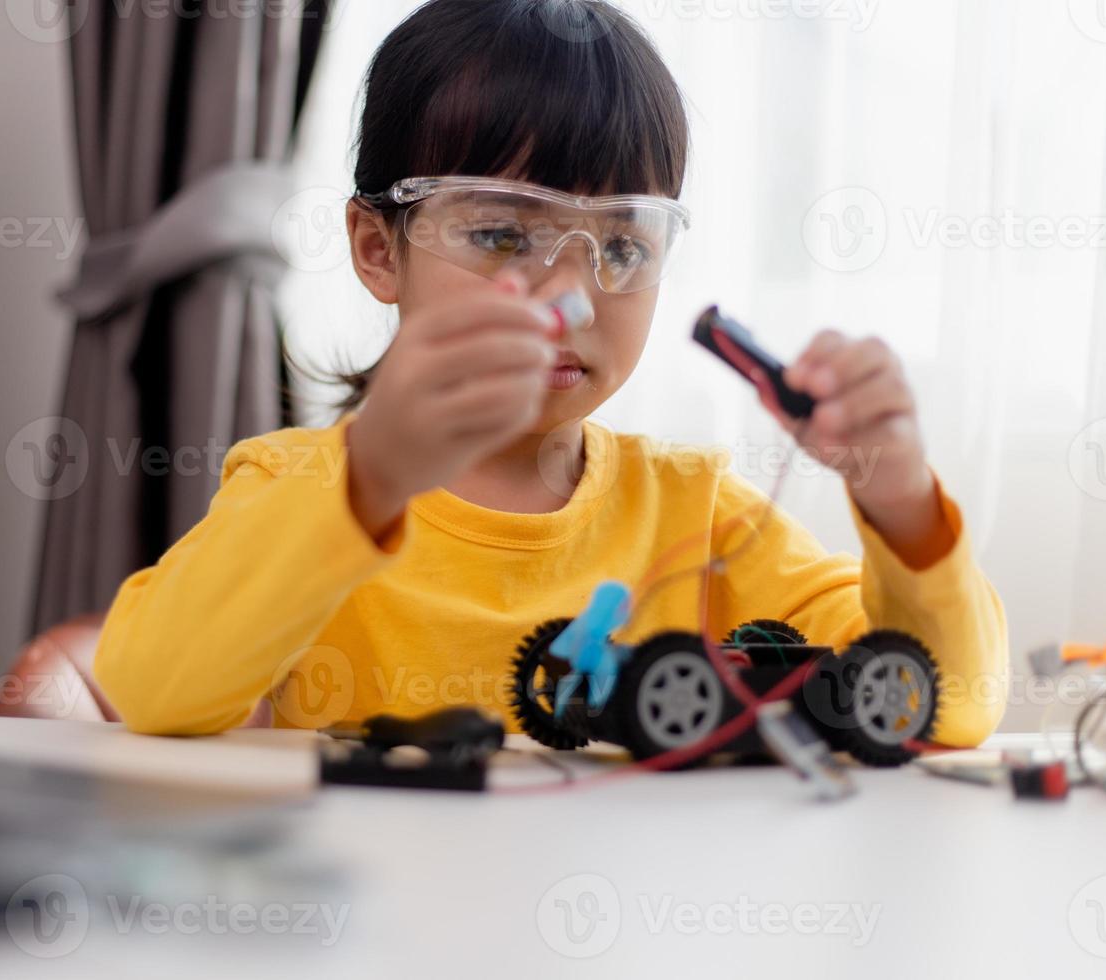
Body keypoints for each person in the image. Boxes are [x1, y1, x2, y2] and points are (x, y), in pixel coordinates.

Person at [93, 0, 1008, 747]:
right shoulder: (296, 487)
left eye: (621, 242)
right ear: (378, 249)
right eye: (502, 233)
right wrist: (369, 477)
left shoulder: (697, 513)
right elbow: (153, 692)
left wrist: (905, 507)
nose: (573, 292)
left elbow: (944, 705)